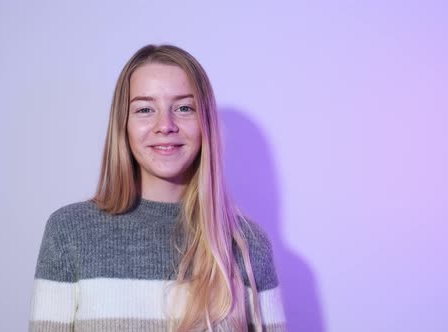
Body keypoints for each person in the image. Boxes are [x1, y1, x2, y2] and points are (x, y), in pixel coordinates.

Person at [28, 44, 287, 332]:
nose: (165, 125)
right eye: (145, 109)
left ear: (205, 124)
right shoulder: (69, 232)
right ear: (122, 125)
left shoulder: (247, 244)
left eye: (184, 108)